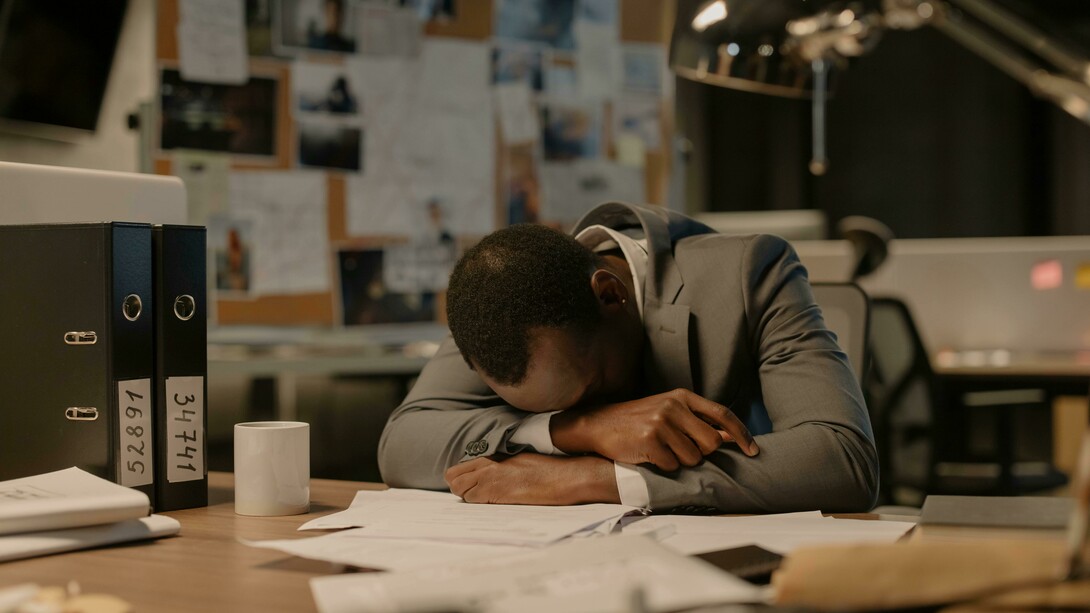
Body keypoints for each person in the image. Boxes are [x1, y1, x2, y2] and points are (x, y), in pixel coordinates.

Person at [378, 202, 879, 513]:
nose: (587, 409)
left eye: (590, 392)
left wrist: (594, 478)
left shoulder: (752, 273)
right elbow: (402, 444)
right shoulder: (499, 306)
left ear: (611, 296)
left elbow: (841, 460)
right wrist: (576, 429)